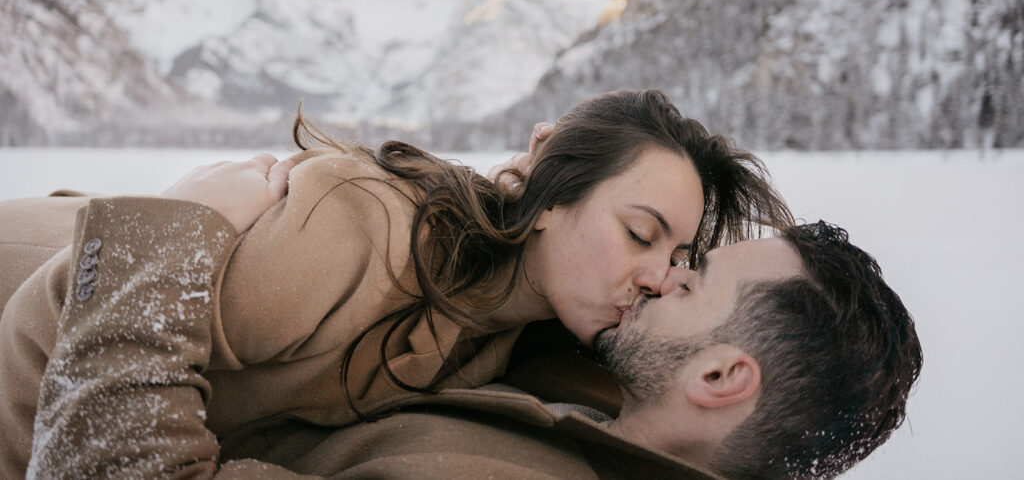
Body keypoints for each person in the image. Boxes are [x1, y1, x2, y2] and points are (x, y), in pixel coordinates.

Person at [0, 88, 793, 477]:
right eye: (639, 233)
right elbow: (47, 329)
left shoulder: (511, 335)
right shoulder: (369, 237)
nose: (657, 278)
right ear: (550, 194)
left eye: (681, 257)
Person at [25, 173, 921, 480]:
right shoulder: (603, 403)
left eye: (691, 286)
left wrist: (171, 233)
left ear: (722, 379)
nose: (659, 279)